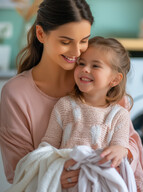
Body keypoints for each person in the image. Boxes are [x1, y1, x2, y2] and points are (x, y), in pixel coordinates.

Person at [0, 0, 143, 192]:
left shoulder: (98, 83)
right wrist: (53, 175)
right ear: (41, 34)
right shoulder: (16, 93)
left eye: (84, 40)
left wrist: (118, 156)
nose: (76, 52)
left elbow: (131, 144)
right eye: (65, 41)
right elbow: (17, 171)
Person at [42, 36, 131, 169]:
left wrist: (121, 151)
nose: (85, 69)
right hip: (66, 175)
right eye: (81, 63)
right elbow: (48, 145)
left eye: (95, 65)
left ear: (115, 79)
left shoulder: (119, 115)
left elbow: (120, 146)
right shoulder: (65, 106)